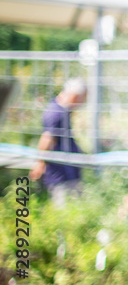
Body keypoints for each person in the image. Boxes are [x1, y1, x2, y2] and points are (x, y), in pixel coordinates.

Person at [29, 78, 87, 207]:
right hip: (61, 175)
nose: (83, 103)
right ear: (75, 96)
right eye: (83, 98)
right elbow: (47, 138)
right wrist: (40, 162)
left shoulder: (63, 110)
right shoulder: (56, 113)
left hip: (68, 171)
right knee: (64, 207)